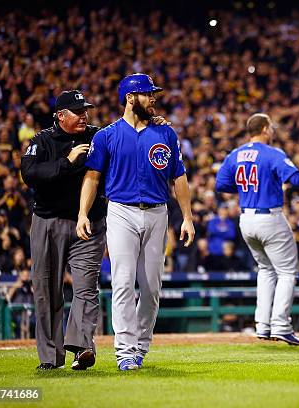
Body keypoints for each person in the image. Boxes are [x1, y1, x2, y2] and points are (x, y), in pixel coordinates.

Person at [77, 73, 195, 371]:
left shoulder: (165, 133)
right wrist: (82, 213)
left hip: (157, 212)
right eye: (147, 94)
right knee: (123, 282)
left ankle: (141, 345)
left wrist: (188, 218)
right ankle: (125, 351)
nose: (153, 98)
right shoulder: (107, 135)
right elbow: (92, 177)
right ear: (130, 98)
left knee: (152, 287)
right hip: (121, 212)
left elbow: (178, 177)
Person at [215, 112, 299, 346]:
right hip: (269, 217)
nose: (272, 131)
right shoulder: (271, 153)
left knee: (265, 270)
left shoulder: (236, 154)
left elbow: (221, 184)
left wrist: (249, 191)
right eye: (271, 127)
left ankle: (262, 325)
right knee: (286, 272)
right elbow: (294, 178)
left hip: (246, 220)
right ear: (264, 129)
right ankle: (282, 326)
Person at [21, 90, 106, 371]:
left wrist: (151, 122)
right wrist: (67, 162)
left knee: (86, 287)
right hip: (49, 222)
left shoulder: (97, 135)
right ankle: (50, 357)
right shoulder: (42, 140)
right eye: (77, 111)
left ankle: (82, 348)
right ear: (60, 116)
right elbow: (30, 175)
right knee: (47, 290)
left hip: (89, 224)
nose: (84, 115)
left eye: (85, 110)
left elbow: (126, 137)